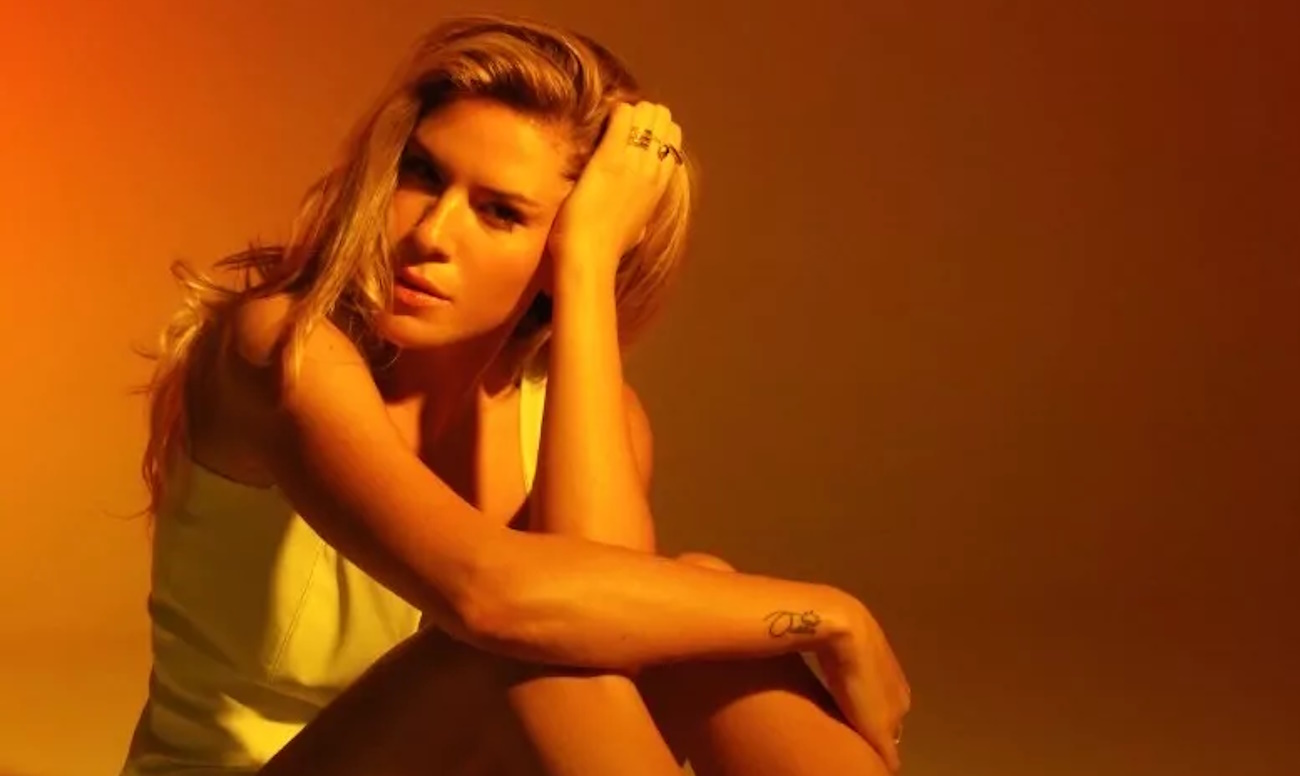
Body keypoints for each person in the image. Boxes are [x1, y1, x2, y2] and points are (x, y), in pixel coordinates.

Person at [120, 13, 910, 776]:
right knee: (524, 647)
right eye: (422, 175)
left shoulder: (587, 413)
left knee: (692, 610)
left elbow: (611, 646)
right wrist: (833, 615)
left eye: (500, 213)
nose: (431, 235)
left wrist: (588, 263)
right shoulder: (280, 347)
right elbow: (492, 601)